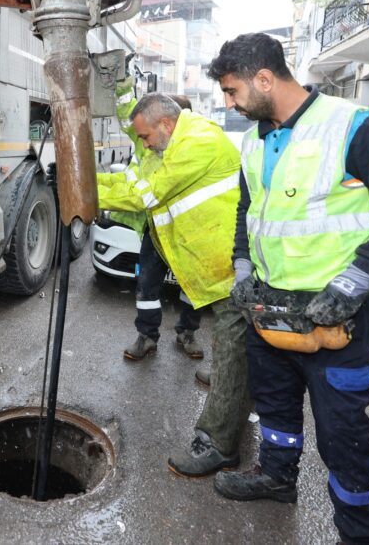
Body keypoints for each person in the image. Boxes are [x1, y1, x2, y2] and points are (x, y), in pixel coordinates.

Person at [206, 33, 369, 545]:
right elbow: (250, 211)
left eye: (232, 91)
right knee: (274, 406)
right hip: (269, 309)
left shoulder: (351, 127)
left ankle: (358, 533)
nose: (228, 102)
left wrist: (356, 279)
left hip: (336, 316)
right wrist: (243, 270)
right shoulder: (255, 139)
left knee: (343, 435)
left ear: (264, 79)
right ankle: (277, 477)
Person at [97, 92, 255, 477]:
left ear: (165, 125)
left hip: (227, 270)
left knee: (234, 351)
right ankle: (231, 391)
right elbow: (144, 171)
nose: (145, 144)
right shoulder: (174, 141)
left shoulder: (197, 142)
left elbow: (144, 195)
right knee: (232, 347)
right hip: (217, 266)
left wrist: (85, 187)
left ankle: (218, 443)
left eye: (148, 136)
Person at [100, 80, 204, 361]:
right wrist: (121, 83)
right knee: (146, 285)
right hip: (156, 230)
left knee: (191, 287)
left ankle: (187, 332)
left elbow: (143, 195)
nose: (147, 141)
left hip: (186, 232)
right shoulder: (148, 146)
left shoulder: (192, 153)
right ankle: (147, 336)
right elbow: (128, 117)